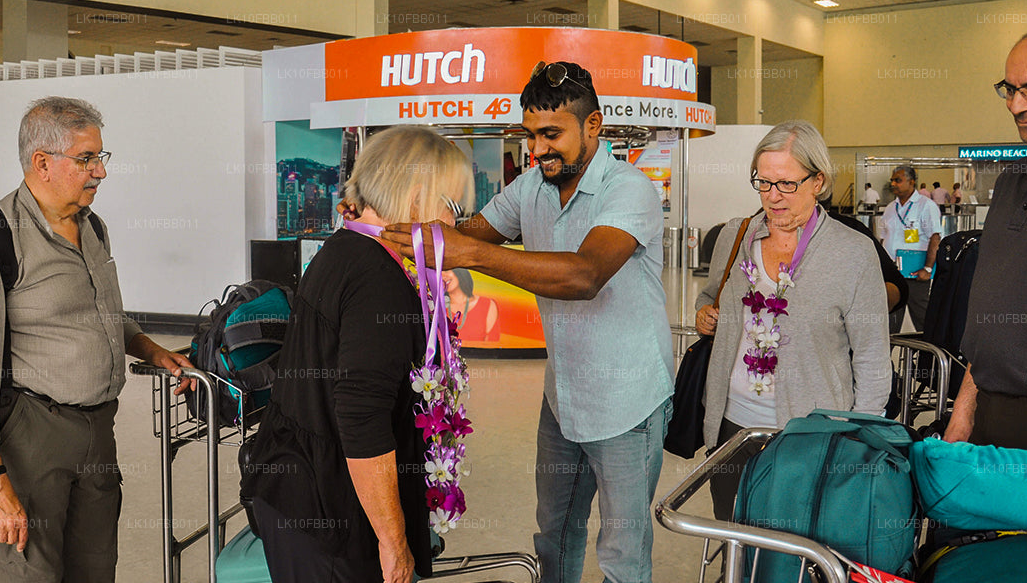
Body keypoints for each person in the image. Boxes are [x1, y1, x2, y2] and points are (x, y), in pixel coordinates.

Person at [379, 61, 674, 583]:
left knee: (623, 553)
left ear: (593, 125)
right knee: (555, 534)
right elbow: (470, 231)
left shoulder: (629, 190)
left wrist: (468, 253)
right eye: (531, 135)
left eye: (551, 134)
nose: (537, 149)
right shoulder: (531, 187)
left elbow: (584, 275)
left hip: (628, 404)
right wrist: (389, 224)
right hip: (563, 398)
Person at [0, 97, 193, 582]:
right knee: (31, 572)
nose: (101, 171)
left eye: (101, 156)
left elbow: (102, 315)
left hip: (99, 431)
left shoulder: (92, 227)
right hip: (32, 435)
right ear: (42, 163)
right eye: (87, 158)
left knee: (96, 569)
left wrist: (152, 350)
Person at [246, 126, 475, 583]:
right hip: (328, 514)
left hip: (303, 490)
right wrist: (393, 543)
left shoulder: (346, 249)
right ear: (415, 198)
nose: (455, 222)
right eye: (452, 205)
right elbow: (361, 418)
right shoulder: (376, 279)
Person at [695, 120, 891, 520]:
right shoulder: (736, 236)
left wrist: (858, 441)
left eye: (786, 183)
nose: (773, 196)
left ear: (818, 181)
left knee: (794, 542)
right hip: (732, 427)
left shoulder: (853, 253)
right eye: (763, 182)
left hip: (811, 434)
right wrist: (704, 314)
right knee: (734, 532)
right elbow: (709, 294)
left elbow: (872, 358)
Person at [945, 26, 1027, 453]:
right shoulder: (1012, 180)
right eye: (1010, 89)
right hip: (991, 414)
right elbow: (992, 311)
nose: (1016, 105)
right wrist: (965, 409)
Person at [879, 165, 943, 332]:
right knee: (890, 320)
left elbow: (935, 237)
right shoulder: (890, 208)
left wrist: (928, 268)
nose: (893, 184)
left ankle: (930, 348)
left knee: (923, 319)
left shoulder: (925, 205)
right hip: (892, 273)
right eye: (892, 180)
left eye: (898, 180)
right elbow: (882, 237)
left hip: (914, 273)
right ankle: (888, 349)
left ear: (912, 182)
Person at [442, 268, 500, 342]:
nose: (443, 276)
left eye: (446, 270)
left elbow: (492, 344)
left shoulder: (487, 305)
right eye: (438, 273)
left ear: (459, 271)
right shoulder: (436, 308)